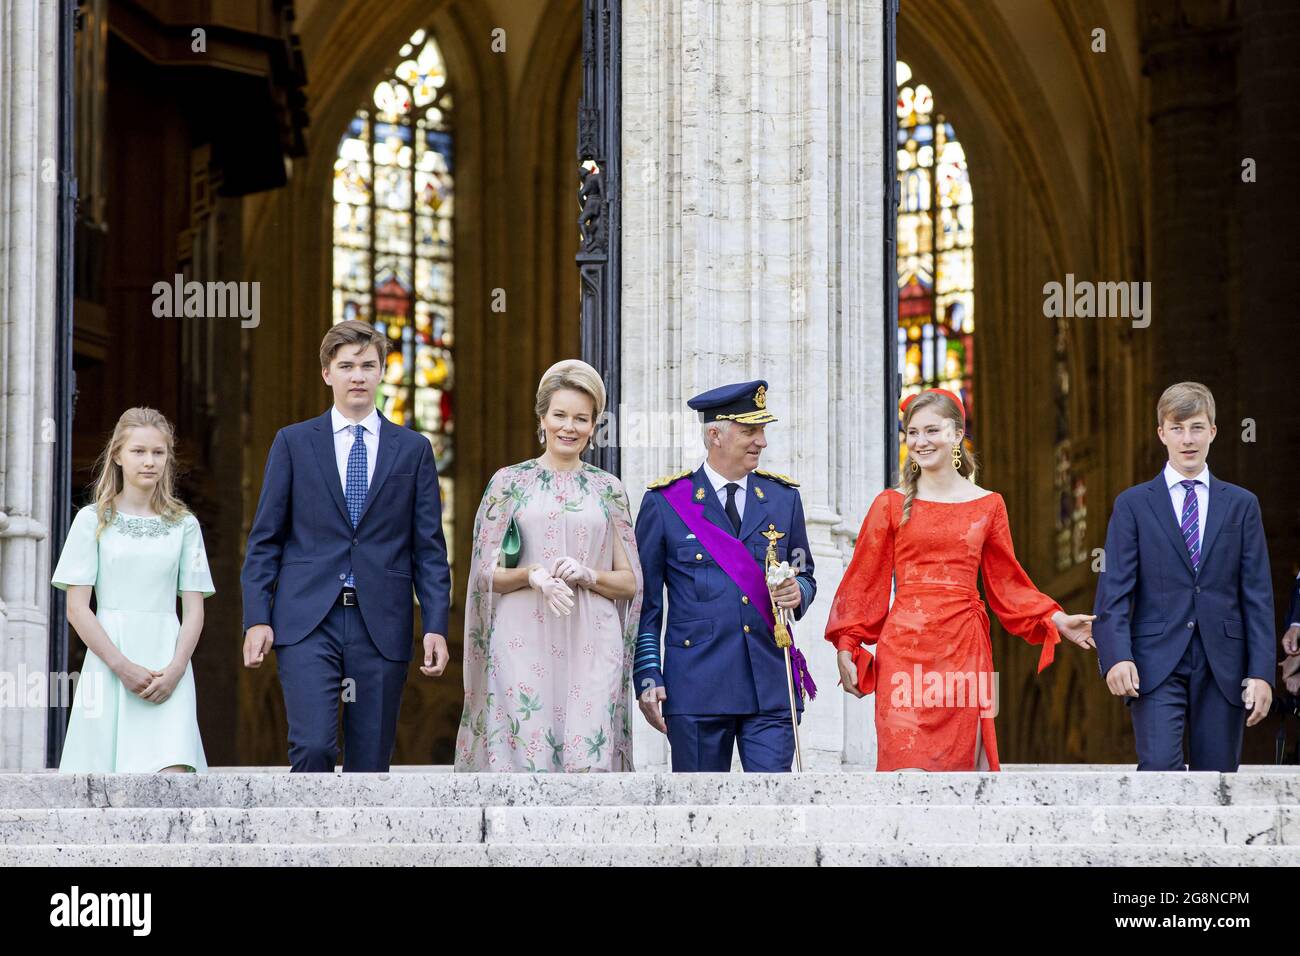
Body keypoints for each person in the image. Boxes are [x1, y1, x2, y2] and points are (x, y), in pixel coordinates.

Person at [825, 388, 1095, 772]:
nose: (920, 441)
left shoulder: (989, 504)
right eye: (912, 432)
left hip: (963, 651)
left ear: (956, 434)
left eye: (931, 430)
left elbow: (1008, 583)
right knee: (903, 766)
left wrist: (1055, 619)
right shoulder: (889, 504)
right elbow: (863, 581)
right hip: (903, 654)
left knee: (959, 775)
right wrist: (846, 645)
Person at [240, 319, 452, 772]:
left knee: (371, 760)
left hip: (382, 621)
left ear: (381, 373)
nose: (358, 375)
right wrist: (257, 616)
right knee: (314, 748)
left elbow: (429, 549)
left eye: (368, 365)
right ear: (327, 373)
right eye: (347, 365)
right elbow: (265, 541)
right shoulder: (293, 443)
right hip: (307, 620)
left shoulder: (413, 449)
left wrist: (435, 624)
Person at [455, 360, 642, 772]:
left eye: (581, 418)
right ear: (542, 418)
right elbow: (483, 575)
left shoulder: (608, 489)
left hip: (593, 638)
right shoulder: (509, 483)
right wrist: (531, 574)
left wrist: (589, 575)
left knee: (587, 759)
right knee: (528, 756)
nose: (568, 427)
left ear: (594, 425)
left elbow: (630, 582)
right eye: (559, 415)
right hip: (522, 636)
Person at [633, 380, 817, 773]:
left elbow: (806, 571)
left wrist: (797, 591)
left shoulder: (784, 499)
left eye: (762, 431)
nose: (762, 441)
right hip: (697, 686)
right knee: (699, 820)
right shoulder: (665, 503)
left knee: (773, 811)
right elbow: (644, 604)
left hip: (769, 682)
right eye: (750, 431)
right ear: (714, 434)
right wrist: (648, 674)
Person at [1094, 382, 1274, 772]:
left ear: (1213, 431)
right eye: (1177, 428)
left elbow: (1257, 595)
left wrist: (1262, 673)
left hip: (1223, 664)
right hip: (1154, 664)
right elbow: (1114, 591)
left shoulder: (1242, 505)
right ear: (1161, 433)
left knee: (1217, 780)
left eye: (1196, 427)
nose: (1187, 439)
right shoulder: (1133, 505)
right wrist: (1115, 656)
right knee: (1159, 772)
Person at [52, 407, 213, 773]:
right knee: (105, 788)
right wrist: (121, 666)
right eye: (139, 451)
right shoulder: (91, 520)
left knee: (174, 776)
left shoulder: (185, 526)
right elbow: (77, 609)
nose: (149, 462)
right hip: (110, 662)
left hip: (168, 662)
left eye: (158, 453)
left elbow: (195, 610)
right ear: (118, 455)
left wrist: (175, 669)